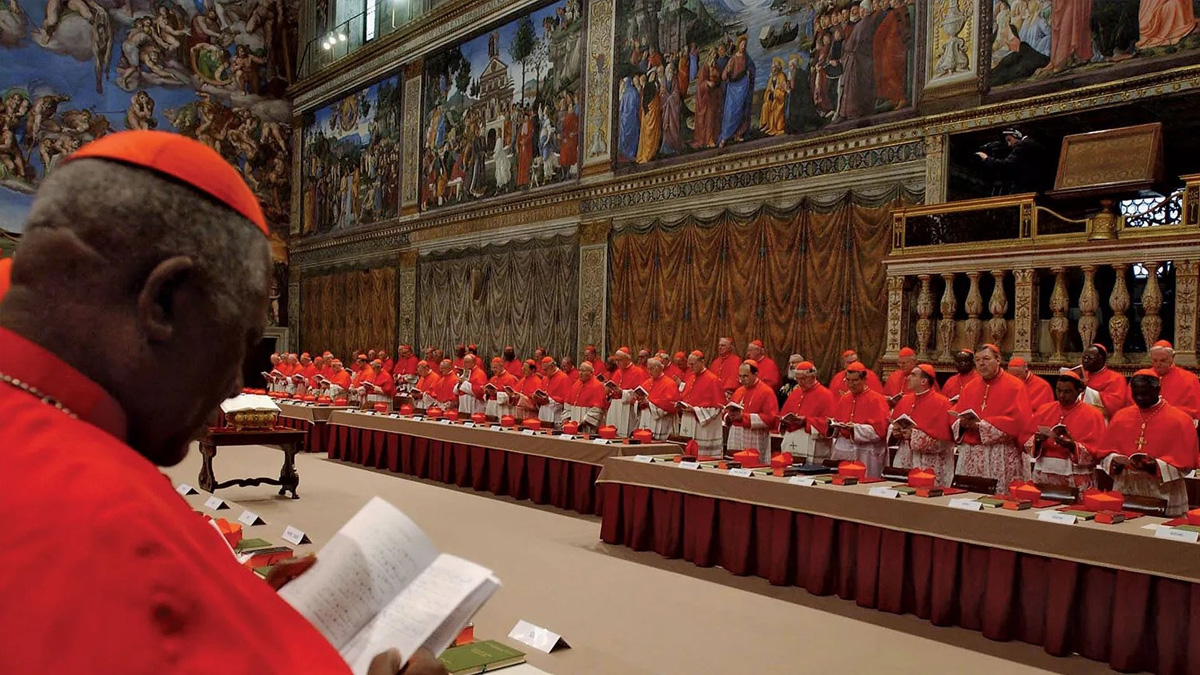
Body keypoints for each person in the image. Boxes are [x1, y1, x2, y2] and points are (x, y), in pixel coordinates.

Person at [0, 131, 442, 674]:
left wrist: (249, 610)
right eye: (239, 343)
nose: (235, 384)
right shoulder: (112, 532)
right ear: (164, 302)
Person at [1097, 370, 1199, 516]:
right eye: (1136, 394)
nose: (1139, 398)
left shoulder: (1180, 420)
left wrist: (1157, 467)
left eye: (1144, 394)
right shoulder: (1121, 417)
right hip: (1126, 487)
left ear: (1158, 390)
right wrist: (1113, 462)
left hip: (1163, 490)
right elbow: (1104, 453)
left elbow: (1187, 464)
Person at [952, 344, 1032, 486]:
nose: (981, 363)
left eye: (986, 359)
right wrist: (962, 424)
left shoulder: (1015, 386)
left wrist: (982, 426)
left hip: (1000, 454)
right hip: (971, 454)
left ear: (998, 359)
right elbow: (958, 415)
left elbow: (1019, 422)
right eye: (977, 360)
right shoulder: (970, 387)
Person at [1025, 370, 1105, 490]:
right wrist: (1037, 441)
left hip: (1076, 473)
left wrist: (1072, 446)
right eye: (1058, 390)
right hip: (1045, 471)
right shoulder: (1044, 410)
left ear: (1079, 391)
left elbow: (1097, 450)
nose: (1061, 395)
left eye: (1067, 392)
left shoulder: (1093, 415)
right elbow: (1026, 438)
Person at [891, 364, 956, 485]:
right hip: (906, 458)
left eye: (913, 375)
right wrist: (896, 432)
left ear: (924, 381)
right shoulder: (905, 400)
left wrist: (913, 435)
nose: (908, 378)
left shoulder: (942, 403)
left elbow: (944, 442)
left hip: (930, 463)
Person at [827, 362, 891, 477]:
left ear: (864, 380)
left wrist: (855, 428)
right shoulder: (845, 398)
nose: (851, 384)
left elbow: (879, 431)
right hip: (844, 449)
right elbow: (838, 422)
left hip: (866, 452)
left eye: (855, 380)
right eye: (848, 380)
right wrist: (832, 425)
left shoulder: (876, 399)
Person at [779, 361, 835, 464]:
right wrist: (785, 421)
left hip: (812, 443)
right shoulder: (795, 393)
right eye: (797, 379)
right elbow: (782, 416)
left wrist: (806, 421)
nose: (800, 382)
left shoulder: (826, 395)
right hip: (791, 441)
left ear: (813, 376)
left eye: (803, 379)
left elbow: (830, 424)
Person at [724, 360, 779, 464]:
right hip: (736, 437)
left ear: (755, 374)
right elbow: (727, 411)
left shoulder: (766, 392)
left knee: (752, 466)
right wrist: (729, 415)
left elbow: (770, 418)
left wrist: (744, 417)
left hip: (755, 437)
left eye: (745, 376)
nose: (742, 380)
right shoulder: (739, 391)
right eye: (740, 376)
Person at [1131, 340, 1200, 423]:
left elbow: (1194, 410)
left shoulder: (1189, 379)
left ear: (1172, 357)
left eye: (1162, 360)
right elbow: (1131, 405)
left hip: (1175, 423)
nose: (1158, 364)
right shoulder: (1142, 377)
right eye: (1155, 360)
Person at [677, 351, 725, 458]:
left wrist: (695, 410)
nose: (690, 367)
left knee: (703, 456)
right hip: (689, 422)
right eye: (689, 364)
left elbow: (717, 408)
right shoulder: (691, 379)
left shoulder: (713, 380)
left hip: (704, 426)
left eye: (692, 364)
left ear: (702, 362)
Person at [974, 129, 1048, 194]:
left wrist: (986, 158)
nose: (1009, 145)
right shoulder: (1032, 143)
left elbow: (1007, 164)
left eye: (1009, 140)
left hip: (1026, 189)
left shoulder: (1023, 145)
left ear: (1016, 135)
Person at [604, 347, 647, 436]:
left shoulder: (638, 372)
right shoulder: (617, 372)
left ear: (628, 359)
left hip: (628, 409)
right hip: (615, 407)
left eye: (620, 360)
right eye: (616, 360)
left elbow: (640, 394)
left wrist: (622, 393)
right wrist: (608, 391)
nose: (617, 363)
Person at [635, 357, 680, 440]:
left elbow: (670, 405)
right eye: (648, 369)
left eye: (652, 369)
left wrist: (649, 403)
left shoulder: (669, 384)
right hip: (646, 419)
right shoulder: (647, 382)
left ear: (660, 368)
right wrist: (639, 402)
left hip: (662, 422)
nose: (649, 372)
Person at [1080, 343, 1127, 418]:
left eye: (1089, 358)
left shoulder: (1116, 378)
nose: (1085, 361)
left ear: (1101, 359)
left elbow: (1115, 404)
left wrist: (1086, 390)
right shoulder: (1081, 375)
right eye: (1084, 357)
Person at [563, 362, 607, 433]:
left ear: (591, 373)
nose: (580, 373)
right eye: (579, 370)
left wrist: (585, 420)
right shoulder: (576, 384)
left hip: (588, 424)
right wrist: (567, 417)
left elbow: (598, 408)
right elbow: (568, 403)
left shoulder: (597, 386)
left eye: (583, 371)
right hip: (574, 420)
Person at [535, 356, 572, 426]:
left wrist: (549, 400)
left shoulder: (563, 378)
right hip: (543, 412)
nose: (544, 372)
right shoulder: (545, 379)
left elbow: (566, 400)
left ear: (552, 367)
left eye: (546, 370)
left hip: (555, 413)